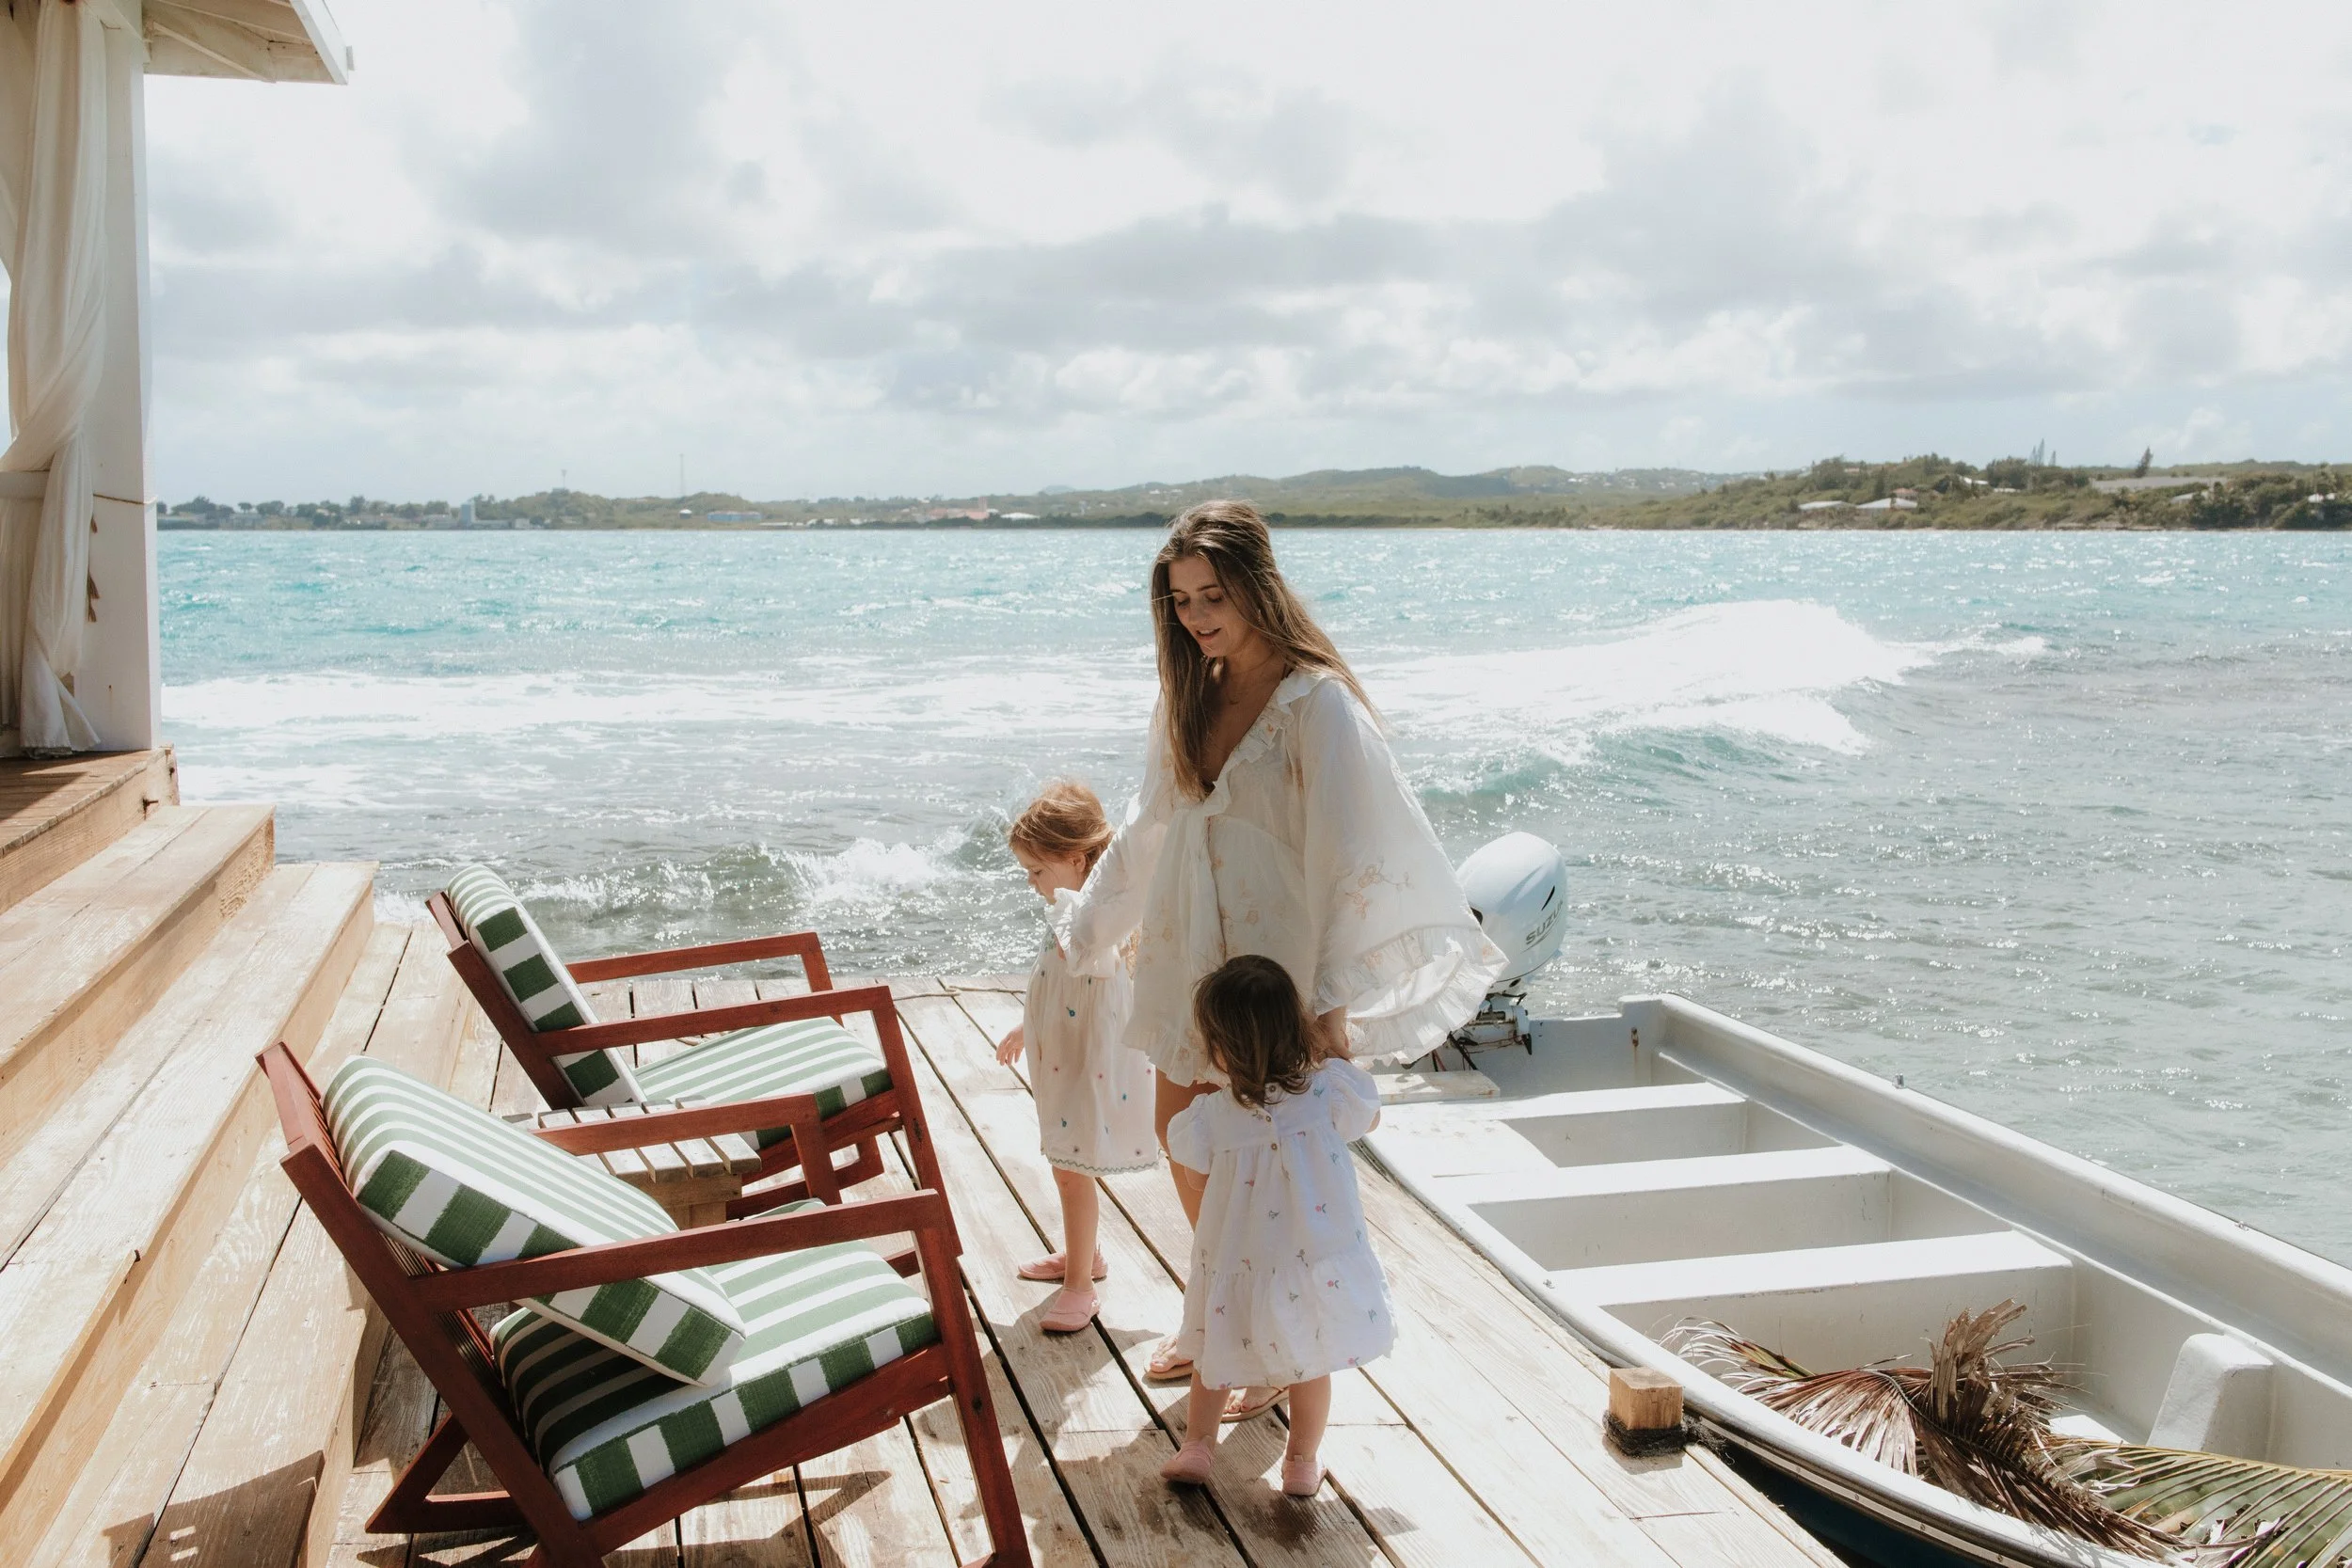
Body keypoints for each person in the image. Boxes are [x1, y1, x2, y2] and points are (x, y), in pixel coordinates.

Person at [1048, 499, 1502, 1397]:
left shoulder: (1316, 702)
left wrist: (1327, 995)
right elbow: (1145, 827)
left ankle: (1278, 1342)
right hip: (1189, 949)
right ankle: (1222, 1317)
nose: (1197, 616)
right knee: (1183, 1133)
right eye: (1180, 600)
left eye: (1212, 594)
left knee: (1280, 1168)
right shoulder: (1189, 692)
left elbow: (1355, 845)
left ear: (1259, 583)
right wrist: (1089, 933)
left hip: (1274, 964)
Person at [1158, 956, 1392, 1497]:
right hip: (1314, 1262)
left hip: (1238, 1260)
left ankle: (1197, 1445)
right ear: (1296, 1027)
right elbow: (1371, 1117)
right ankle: (1301, 1462)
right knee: (1312, 1361)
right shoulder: (1330, 1093)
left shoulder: (1212, 1116)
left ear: (1220, 1048)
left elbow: (1194, 1182)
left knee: (1215, 1350)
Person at [995, 780, 1159, 1334]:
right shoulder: (1076, 910)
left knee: (1071, 1166)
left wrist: (1076, 915)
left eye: (1038, 870)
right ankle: (1083, 1255)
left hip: (1086, 1057)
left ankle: (1081, 1287)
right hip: (1060, 1051)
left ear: (1076, 859)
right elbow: (1060, 984)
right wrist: (1026, 1024)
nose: (1030, 882)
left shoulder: (1091, 918)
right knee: (1064, 1158)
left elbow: (1090, 969)